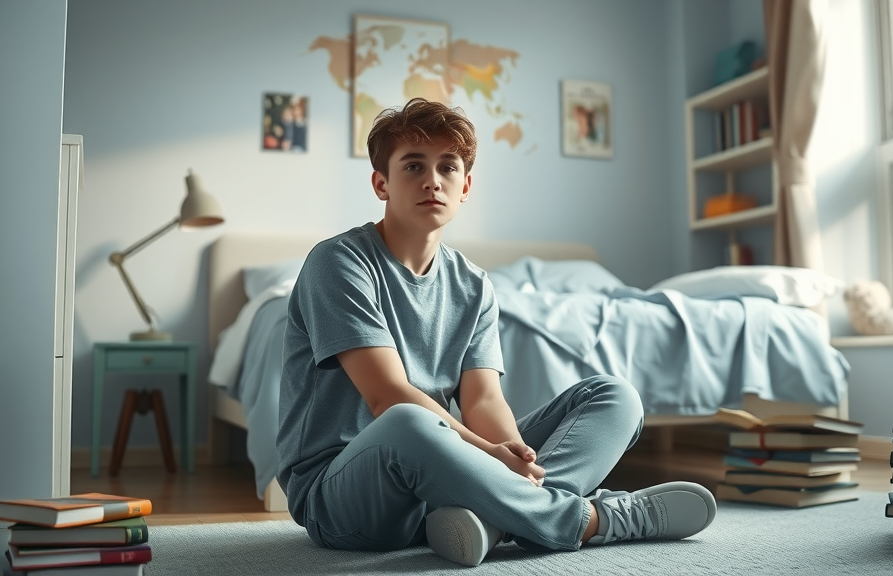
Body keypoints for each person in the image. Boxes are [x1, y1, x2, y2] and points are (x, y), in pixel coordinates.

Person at [276, 97, 717, 566]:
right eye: (413, 166)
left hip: (443, 484)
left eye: (448, 167)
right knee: (408, 422)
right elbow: (387, 395)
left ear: (465, 186)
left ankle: (494, 519)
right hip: (340, 495)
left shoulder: (473, 284)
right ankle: (586, 520)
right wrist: (490, 456)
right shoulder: (339, 262)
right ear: (381, 183)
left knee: (614, 395)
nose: (432, 180)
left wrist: (516, 457)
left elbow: (482, 400)